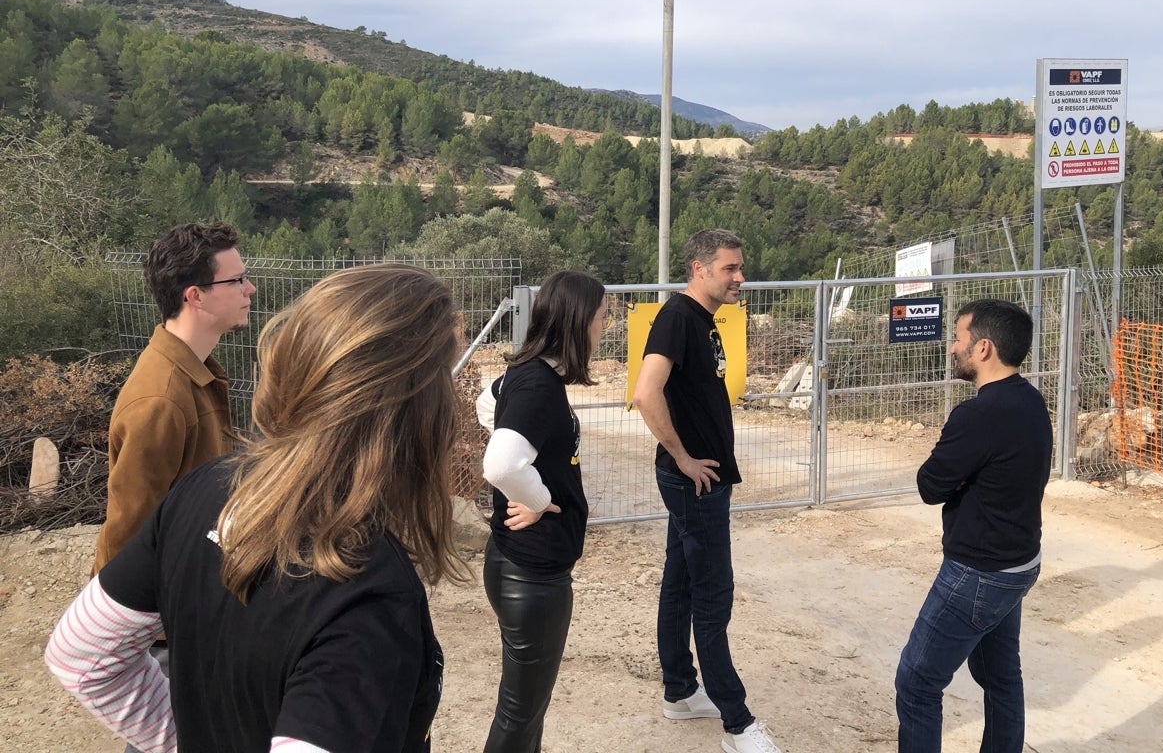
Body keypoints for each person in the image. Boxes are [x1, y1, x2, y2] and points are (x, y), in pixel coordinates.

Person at [46, 263, 470, 753]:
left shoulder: (204, 488)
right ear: (419, 408)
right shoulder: (368, 595)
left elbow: (80, 653)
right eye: (447, 380)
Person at [632, 229, 781, 753]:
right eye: (730, 269)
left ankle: (680, 692)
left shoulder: (703, 320)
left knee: (680, 583)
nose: (740, 277)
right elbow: (645, 392)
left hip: (703, 479)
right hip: (695, 481)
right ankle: (737, 724)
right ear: (699, 269)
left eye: (741, 268)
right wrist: (681, 456)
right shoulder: (676, 319)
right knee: (713, 595)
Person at [894, 299, 1052, 753]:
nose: (951, 349)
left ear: (983, 348)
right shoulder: (1030, 398)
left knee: (918, 681)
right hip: (1019, 564)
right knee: (1000, 677)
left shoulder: (978, 414)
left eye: (958, 339)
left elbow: (929, 485)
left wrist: (957, 470)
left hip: (978, 573)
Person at [474, 270, 608, 752]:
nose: (603, 328)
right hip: (531, 575)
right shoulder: (537, 385)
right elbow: (503, 463)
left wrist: (531, 485)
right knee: (519, 713)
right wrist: (538, 498)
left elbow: (485, 406)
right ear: (578, 322)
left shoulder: (529, 372)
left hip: (523, 566)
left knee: (527, 711)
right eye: (600, 318)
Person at [93, 221, 255, 574]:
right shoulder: (160, 402)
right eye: (237, 280)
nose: (250, 289)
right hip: (166, 616)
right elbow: (126, 540)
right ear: (195, 296)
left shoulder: (196, 372)